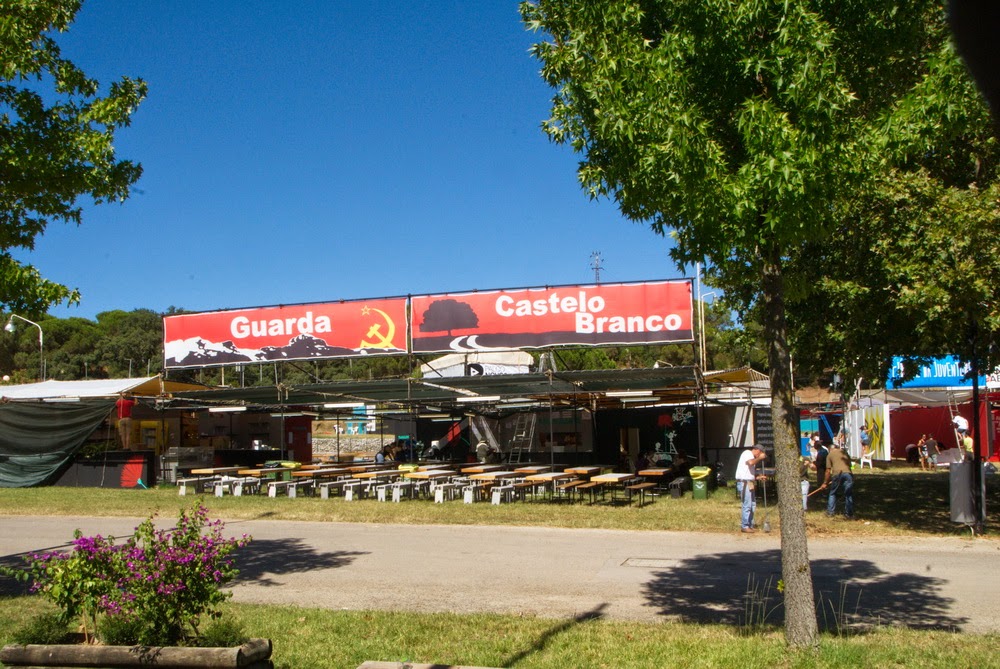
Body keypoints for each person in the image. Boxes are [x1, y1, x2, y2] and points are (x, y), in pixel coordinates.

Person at [734, 444, 767, 533]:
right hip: (744, 483)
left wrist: (758, 477)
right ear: (757, 450)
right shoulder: (747, 453)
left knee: (752, 504)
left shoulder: (751, 457)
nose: (759, 455)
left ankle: (750, 524)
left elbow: (748, 473)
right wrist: (759, 458)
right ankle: (745, 525)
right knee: (747, 504)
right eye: (760, 453)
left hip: (749, 482)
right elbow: (750, 463)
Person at [821, 442, 854, 519]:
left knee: (833, 493)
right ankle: (849, 514)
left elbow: (828, 471)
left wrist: (825, 483)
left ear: (830, 449)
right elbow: (849, 465)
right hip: (848, 474)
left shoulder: (830, 455)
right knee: (848, 494)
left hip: (837, 474)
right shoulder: (844, 452)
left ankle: (830, 512)